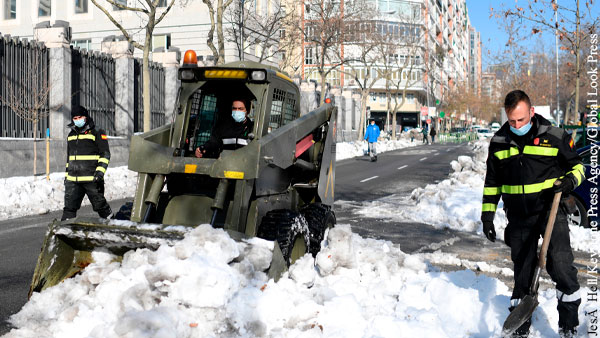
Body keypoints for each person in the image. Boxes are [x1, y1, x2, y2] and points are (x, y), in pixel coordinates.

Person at [481, 90, 584, 337]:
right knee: (523, 271)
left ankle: (568, 326)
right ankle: (521, 325)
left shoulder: (555, 137)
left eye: (521, 119)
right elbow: (492, 182)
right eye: (512, 120)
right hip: (518, 216)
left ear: (531, 112)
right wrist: (487, 216)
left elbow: (578, 167)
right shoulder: (499, 142)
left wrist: (569, 182)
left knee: (560, 265)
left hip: (550, 211)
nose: (516, 125)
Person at [62, 105, 113, 221]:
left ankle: (113, 226)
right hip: (73, 181)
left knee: (101, 207)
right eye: (75, 118)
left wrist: (100, 173)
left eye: (80, 117)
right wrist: (66, 177)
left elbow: (105, 154)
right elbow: (69, 159)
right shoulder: (71, 135)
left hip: (92, 179)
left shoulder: (97, 132)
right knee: (69, 209)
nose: (77, 120)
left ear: (85, 117)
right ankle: (65, 235)